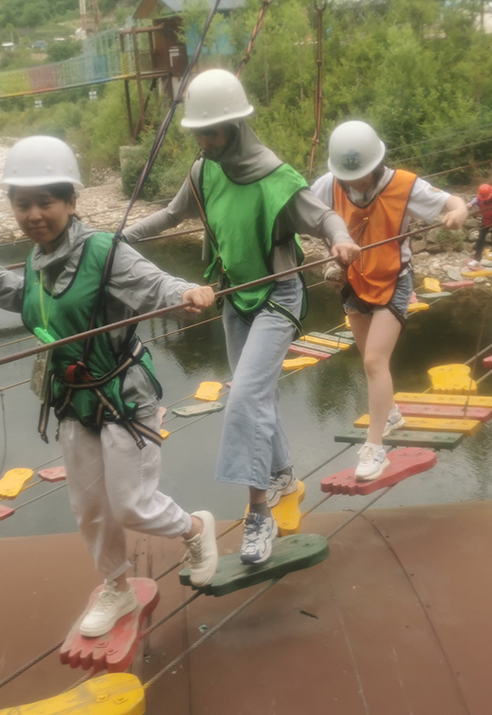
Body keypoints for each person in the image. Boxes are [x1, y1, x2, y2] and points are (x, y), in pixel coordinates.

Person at [0, 136, 220, 638]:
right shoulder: (37, 260)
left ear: (71, 202)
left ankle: (196, 528)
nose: (34, 214)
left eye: (46, 202)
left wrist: (185, 292)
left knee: (131, 503)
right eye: (22, 204)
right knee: (91, 509)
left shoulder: (104, 252)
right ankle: (117, 588)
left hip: (123, 397)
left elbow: (154, 283)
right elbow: (34, 300)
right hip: (73, 403)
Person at [122, 69, 360, 566]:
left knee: (245, 401)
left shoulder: (277, 178)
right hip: (236, 296)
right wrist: (114, 243)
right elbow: (169, 217)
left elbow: (323, 217)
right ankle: (284, 478)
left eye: (211, 132)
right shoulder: (201, 173)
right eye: (199, 133)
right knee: (260, 397)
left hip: (277, 295)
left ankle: (258, 514)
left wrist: (339, 240)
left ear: (236, 127)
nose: (204, 142)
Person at [310, 120, 468, 480]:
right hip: (354, 280)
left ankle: (375, 447)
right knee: (368, 359)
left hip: (394, 278)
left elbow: (454, 201)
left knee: (374, 362)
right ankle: (392, 413)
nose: (355, 182)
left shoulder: (404, 186)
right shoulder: (329, 184)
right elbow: (300, 208)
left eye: (362, 174)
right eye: (349, 176)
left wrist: (458, 211)